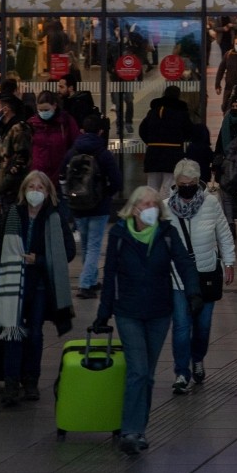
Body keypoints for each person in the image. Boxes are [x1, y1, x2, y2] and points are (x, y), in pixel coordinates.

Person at [93, 186, 199, 456]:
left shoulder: (166, 233)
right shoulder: (119, 235)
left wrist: (193, 291)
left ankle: (139, 429)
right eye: (145, 204)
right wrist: (104, 312)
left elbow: (184, 263)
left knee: (148, 375)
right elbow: (110, 275)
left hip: (159, 313)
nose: (150, 208)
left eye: (154, 204)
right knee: (138, 370)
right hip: (128, 312)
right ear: (134, 208)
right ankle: (129, 431)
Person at [0, 171, 76, 405]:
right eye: (31, 187)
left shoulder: (54, 217)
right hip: (13, 282)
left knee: (35, 333)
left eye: (40, 188)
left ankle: (31, 381)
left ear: (48, 192)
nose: (35, 191)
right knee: (13, 331)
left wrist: (40, 260)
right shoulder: (13, 214)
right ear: (24, 191)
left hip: (40, 285)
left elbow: (68, 251)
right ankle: (11, 383)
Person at [162, 160, 235, 393]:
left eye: (191, 183)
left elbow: (223, 233)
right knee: (181, 326)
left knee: (203, 326)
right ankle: (181, 373)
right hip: (178, 277)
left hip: (206, 274)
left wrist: (229, 261)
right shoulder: (165, 207)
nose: (187, 187)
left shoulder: (211, 203)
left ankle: (198, 358)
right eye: (182, 184)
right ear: (175, 183)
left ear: (198, 182)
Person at [64, 115, 124, 300]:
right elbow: (117, 181)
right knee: (94, 246)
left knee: (86, 244)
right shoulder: (103, 154)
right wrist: (106, 194)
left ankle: (90, 279)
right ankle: (85, 284)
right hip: (99, 207)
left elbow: (62, 175)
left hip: (77, 206)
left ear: (82, 131)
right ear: (101, 132)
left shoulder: (72, 152)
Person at [138, 85, 192, 193]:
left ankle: (152, 203)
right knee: (169, 187)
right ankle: (165, 204)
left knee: (152, 187)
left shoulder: (153, 111)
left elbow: (142, 130)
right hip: (173, 154)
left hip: (153, 154)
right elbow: (188, 131)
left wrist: (151, 142)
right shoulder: (181, 112)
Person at [0, 91, 33, 212]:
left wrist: (6, 181)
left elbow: (22, 160)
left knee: (13, 220)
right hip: (5, 191)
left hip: (14, 190)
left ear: (6, 109)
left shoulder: (19, 129)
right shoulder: (5, 128)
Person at [29, 89, 79, 184]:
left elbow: (75, 144)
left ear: (54, 106)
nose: (43, 113)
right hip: (38, 176)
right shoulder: (32, 124)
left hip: (60, 173)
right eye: (40, 110)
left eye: (46, 110)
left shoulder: (65, 122)